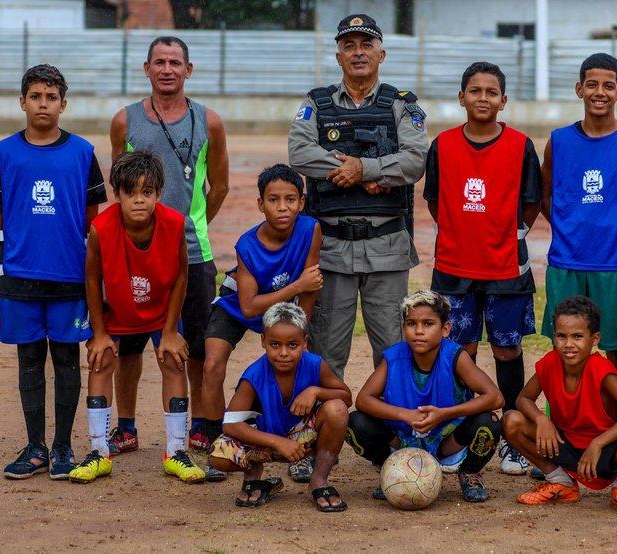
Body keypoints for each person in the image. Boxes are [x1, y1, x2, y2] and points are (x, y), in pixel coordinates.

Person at [0, 64, 107, 480]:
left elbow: (91, 216)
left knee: (67, 360)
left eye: (51, 97)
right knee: (29, 360)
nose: (43, 104)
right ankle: (35, 446)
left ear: (63, 104)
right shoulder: (4, 151)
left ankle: (63, 448)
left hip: (70, 276)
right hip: (20, 274)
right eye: (36, 96)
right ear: (22, 102)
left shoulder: (83, 152)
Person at [287, 13, 428, 380]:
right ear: (338, 57)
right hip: (331, 249)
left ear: (382, 54)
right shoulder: (316, 103)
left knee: (394, 352)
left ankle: (395, 433)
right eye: (348, 46)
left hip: (387, 246)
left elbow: (414, 162)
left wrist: (363, 169)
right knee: (326, 351)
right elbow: (300, 153)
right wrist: (371, 168)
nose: (358, 52)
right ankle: (321, 429)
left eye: (367, 44)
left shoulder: (401, 105)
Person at [109, 36, 230, 462]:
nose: (166, 69)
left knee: (194, 345)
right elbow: (118, 184)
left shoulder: (209, 121)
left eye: (175, 62)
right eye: (158, 62)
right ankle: (125, 427)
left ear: (188, 70)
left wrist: (184, 229)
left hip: (193, 253)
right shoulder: (124, 121)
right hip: (132, 252)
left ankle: (197, 425)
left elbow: (220, 187)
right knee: (129, 346)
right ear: (146, 69)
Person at [423, 61, 541, 476]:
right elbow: (435, 201)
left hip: (506, 268)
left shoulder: (521, 146)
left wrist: (499, 236)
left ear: (504, 101)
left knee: (508, 349)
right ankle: (458, 430)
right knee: (462, 353)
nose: (483, 98)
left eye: (492, 92)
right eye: (475, 91)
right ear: (461, 98)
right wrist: (462, 233)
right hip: (454, 268)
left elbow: (531, 204)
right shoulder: (443, 145)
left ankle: (512, 436)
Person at [69, 151, 206, 484]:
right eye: (131, 193)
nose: (139, 200)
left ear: (159, 193)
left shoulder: (175, 225)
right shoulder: (102, 228)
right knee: (100, 360)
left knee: (174, 360)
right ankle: (99, 452)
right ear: (118, 195)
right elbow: (91, 280)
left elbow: (180, 277)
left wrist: (171, 330)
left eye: (147, 192)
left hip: (161, 311)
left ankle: (175, 451)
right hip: (117, 310)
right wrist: (99, 333)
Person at [540, 53, 617, 399]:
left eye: (608, 85)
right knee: (566, 353)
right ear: (579, 89)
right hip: (567, 263)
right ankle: (565, 430)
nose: (599, 92)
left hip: (615, 264)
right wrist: (571, 229)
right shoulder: (558, 142)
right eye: (592, 84)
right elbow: (546, 197)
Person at [200, 164, 323, 482]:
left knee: (299, 365)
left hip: (283, 310)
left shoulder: (310, 230)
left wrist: (300, 333)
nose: (282, 207)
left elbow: (310, 292)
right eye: (273, 200)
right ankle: (218, 440)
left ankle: (300, 447)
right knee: (212, 363)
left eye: (290, 199)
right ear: (260, 204)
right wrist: (295, 287)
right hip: (237, 306)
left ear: (301, 202)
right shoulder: (247, 244)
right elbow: (249, 305)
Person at [503, 296, 617, 517]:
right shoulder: (550, 363)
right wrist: (541, 419)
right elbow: (523, 399)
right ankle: (560, 482)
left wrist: (598, 443)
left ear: (594, 339)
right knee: (511, 420)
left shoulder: (601, 370)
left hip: (605, 452)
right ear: (554, 335)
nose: (568, 344)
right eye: (561, 336)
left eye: (577, 336)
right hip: (564, 444)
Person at [347, 290, 504, 503]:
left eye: (428, 324)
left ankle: (469, 472)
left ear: (445, 329)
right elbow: (364, 399)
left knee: (489, 422)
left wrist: (443, 414)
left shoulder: (455, 356)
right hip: (403, 440)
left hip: (448, 441)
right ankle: (392, 470)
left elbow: (495, 398)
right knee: (354, 422)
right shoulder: (394, 357)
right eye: (411, 324)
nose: (418, 331)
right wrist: (405, 415)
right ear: (404, 328)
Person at [208, 302, 351, 512]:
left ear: (305, 343)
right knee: (217, 456)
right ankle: (254, 477)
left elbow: (346, 397)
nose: (283, 353)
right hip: (264, 443)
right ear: (263, 342)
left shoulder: (315, 364)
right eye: (275, 344)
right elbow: (231, 424)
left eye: (292, 345)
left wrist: (315, 391)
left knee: (336, 409)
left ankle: (319, 481)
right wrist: (277, 442)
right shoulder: (254, 375)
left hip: (302, 442)